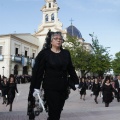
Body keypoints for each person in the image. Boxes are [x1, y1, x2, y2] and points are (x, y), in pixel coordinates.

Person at [28, 30, 79, 120]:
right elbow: (39, 71)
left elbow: (70, 68)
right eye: (56, 39)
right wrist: (36, 86)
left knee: (58, 110)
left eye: (60, 39)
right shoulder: (45, 54)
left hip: (63, 87)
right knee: (54, 111)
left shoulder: (66, 53)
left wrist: (76, 81)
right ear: (51, 41)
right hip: (50, 87)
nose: (58, 40)